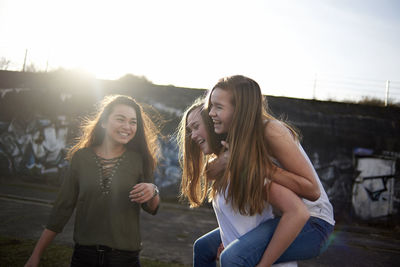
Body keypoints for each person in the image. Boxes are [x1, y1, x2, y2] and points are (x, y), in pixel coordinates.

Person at [201, 75, 335, 266]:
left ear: (240, 110)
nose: (211, 113)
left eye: (218, 107)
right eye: (211, 106)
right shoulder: (236, 134)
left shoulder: (271, 131)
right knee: (203, 248)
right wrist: (225, 160)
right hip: (279, 218)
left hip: (313, 224)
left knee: (233, 257)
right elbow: (209, 174)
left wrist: (262, 167)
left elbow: (312, 191)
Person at [25, 95, 160, 267]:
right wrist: (36, 255)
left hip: (125, 260)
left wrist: (153, 190)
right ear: (103, 122)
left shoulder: (140, 159)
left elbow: (151, 207)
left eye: (133, 122)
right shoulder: (81, 158)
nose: (127, 126)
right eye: (121, 119)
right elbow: (61, 209)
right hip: (84, 258)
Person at [178, 98, 306, 267]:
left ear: (212, 124)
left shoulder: (246, 168)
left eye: (196, 127)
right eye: (190, 130)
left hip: (258, 260)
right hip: (241, 253)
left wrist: (237, 252)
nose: (192, 135)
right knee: (202, 247)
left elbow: (296, 212)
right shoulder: (224, 166)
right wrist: (228, 241)